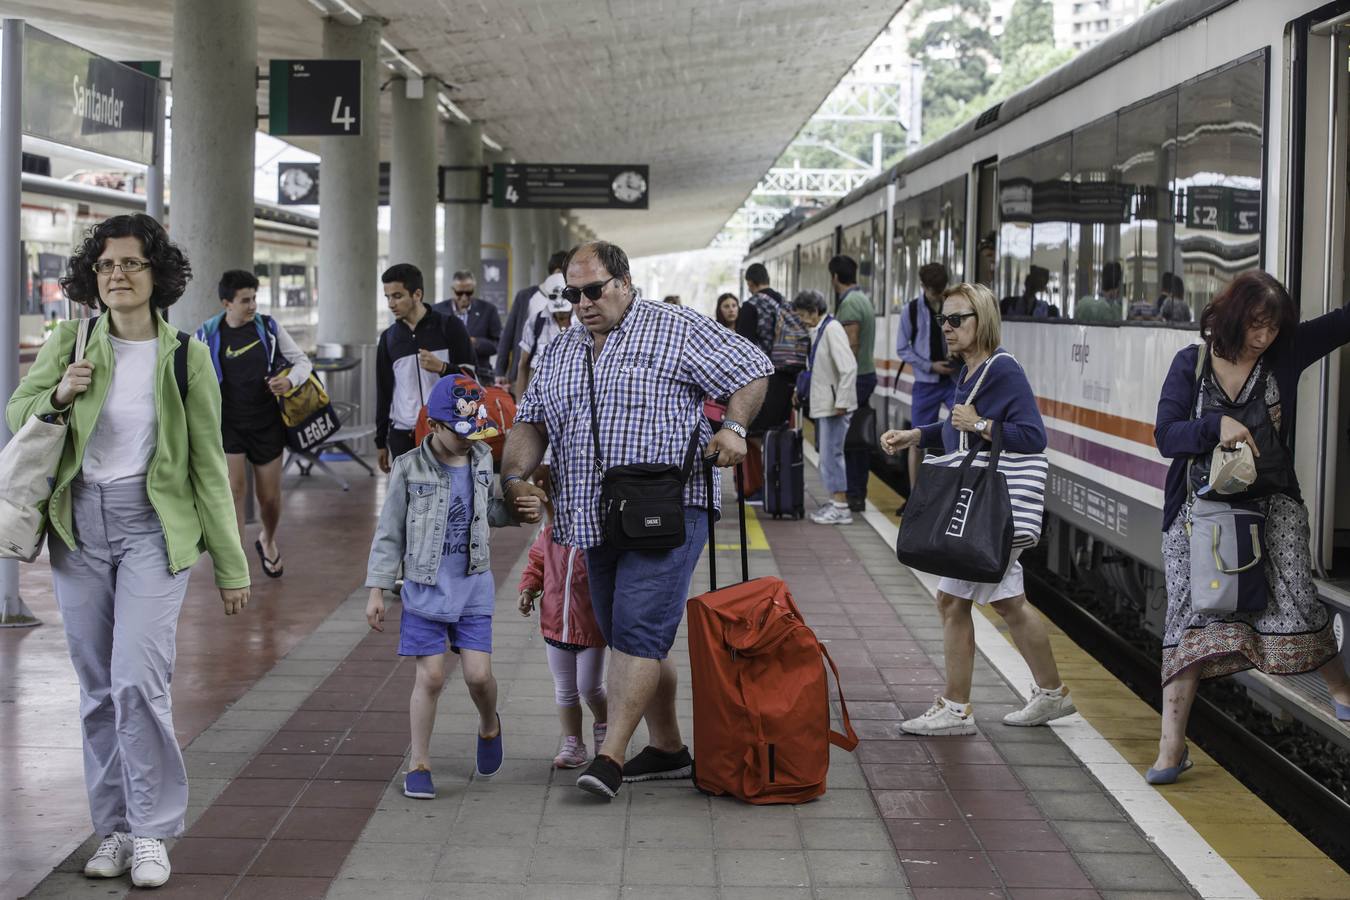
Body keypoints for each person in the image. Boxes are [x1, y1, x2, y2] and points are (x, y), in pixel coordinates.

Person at [6, 213, 250, 889]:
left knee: (138, 683)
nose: (117, 274)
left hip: (152, 530)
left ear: (156, 274)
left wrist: (232, 567)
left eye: (131, 264)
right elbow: (18, 411)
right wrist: (59, 392)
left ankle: (152, 832)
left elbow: (207, 462)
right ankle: (111, 828)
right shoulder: (71, 339)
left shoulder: (185, 356)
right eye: (107, 265)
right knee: (96, 692)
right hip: (79, 526)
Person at [502, 240, 771, 799]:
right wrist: (516, 478)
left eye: (593, 290)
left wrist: (735, 429)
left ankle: (611, 756)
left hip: (667, 509)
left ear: (624, 281)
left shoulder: (674, 327)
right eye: (573, 294)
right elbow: (530, 421)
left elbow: (753, 368)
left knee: (640, 631)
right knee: (627, 634)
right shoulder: (561, 349)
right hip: (590, 517)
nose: (581, 303)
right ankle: (669, 749)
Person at [1150, 271, 1350, 783]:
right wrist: (1215, 425)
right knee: (1189, 619)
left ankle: (1341, 689)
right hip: (1199, 509)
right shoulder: (1190, 365)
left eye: (1274, 328)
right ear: (1234, 317)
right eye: (1258, 326)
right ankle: (1171, 748)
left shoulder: (1285, 352)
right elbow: (1167, 436)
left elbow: (1345, 322)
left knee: (1298, 596)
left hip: (1273, 501)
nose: (1265, 337)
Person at [880, 282, 1075, 736]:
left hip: (988, 510)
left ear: (981, 320)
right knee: (1009, 603)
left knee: (951, 601)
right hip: (986, 510)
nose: (946, 328)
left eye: (956, 319)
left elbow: (1032, 438)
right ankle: (1052, 695)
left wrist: (983, 423)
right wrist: (917, 436)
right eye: (942, 320)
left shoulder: (1001, 369)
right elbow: (956, 432)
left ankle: (957, 708)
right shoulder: (969, 371)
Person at [365, 375, 538, 798]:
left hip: (473, 586)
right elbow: (389, 534)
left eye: (473, 433)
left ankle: (489, 723)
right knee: (432, 677)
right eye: (459, 433)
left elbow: (490, 511)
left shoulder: (481, 460)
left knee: (479, 677)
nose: (468, 442)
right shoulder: (408, 469)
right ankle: (419, 762)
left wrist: (520, 510)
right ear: (434, 426)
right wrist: (376, 589)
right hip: (425, 589)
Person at [196, 269, 312, 578]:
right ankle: (237, 561)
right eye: (245, 300)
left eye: (254, 299)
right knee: (233, 491)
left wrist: (290, 382)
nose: (252, 306)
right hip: (228, 424)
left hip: (266, 423)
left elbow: (302, 362)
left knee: (269, 498)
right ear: (226, 303)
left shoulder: (269, 328)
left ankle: (267, 539)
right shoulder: (206, 334)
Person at [517, 471, 609, 769]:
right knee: (565, 689)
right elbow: (536, 564)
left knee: (589, 687)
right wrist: (528, 590)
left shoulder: (599, 538)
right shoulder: (549, 534)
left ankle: (604, 725)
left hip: (591, 628)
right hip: (555, 625)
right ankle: (573, 743)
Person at [375, 263, 474, 473]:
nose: (391, 303)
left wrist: (443, 367)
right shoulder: (389, 338)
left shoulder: (450, 327)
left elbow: (472, 380)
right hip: (403, 435)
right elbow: (383, 392)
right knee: (408, 502)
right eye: (387, 297)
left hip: (444, 433)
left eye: (398, 296)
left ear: (417, 294)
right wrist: (380, 441)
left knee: (445, 501)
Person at [791, 289, 857, 525]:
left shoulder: (832, 329)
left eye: (802, 314)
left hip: (834, 406)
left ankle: (841, 508)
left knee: (831, 456)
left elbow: (848, 367)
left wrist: (841, 401)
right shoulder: (819, 329)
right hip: (826, 404)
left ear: (814, 311)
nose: (800, 319)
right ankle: (835, 501)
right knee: (827, 456)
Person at [737, 263, 797, 503]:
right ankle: (779, 485)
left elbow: (743, 346)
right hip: (786, 379)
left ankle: (766, 486)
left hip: (763, 380)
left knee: (754, 433)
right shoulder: (785, 303)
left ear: (750, 283)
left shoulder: (751, 306)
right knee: (777, 433)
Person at [896, 262, 957, 493]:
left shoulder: (953, 306)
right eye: (933, 291)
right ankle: (915, 494)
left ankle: (953, 491)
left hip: (953, 380)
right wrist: (930, 366)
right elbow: (902, 348)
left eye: (941, 289)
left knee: (961, 431)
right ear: (923, 287)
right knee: (916, 439)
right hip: (926, 382)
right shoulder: (910, 310)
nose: (938, 295)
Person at [830, 255, 877, 512]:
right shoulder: (863, 300)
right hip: (865, 376)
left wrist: (842, 384)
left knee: (850, 440)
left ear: (835, 277)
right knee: (858, 438)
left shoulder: (849, 304)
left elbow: (851, 345)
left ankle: (854, 493)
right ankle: (857, 492)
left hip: (856, 378)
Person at [497, 251, 568, 391]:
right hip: (528, 368)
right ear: (555, 272)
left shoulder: (572, 297)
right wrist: (500, 371)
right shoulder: (527, 296)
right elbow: (508, 334)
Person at [432, 270, 503, 383]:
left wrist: (475, 342)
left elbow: (498, 344)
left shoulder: (488, 310)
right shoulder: (437, 310)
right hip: (444, 375)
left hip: (480, 375)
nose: (464, 297)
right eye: (459, 293)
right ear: (452, 290)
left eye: (469, 292)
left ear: (474, 289)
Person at [513, 272, 570, 399]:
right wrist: (518, 405)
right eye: (554, 296)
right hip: (540, 392)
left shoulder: (582, 322)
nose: (560, 304)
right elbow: (523, 364)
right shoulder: (536, 321)